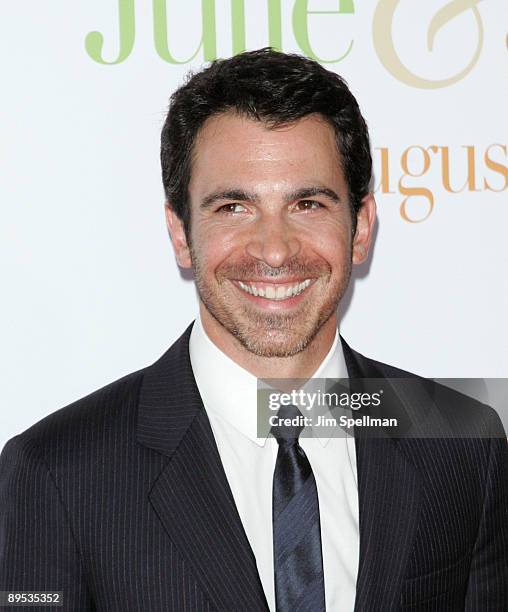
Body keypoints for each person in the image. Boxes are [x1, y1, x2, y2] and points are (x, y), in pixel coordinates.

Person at [0, 48, 506, 612]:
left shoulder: (463, 440)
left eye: (308, 203)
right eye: (234, 208)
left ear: (361, 227)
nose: (274, 249)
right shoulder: (57, 473)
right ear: (179, 232)